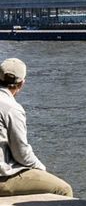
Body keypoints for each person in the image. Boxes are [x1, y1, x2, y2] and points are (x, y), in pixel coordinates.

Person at [0, 58, 72, 197]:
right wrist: (41, 169)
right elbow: (21, 153)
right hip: (2, 178)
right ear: (22, 83)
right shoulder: (11, 108)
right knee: (63, 189)